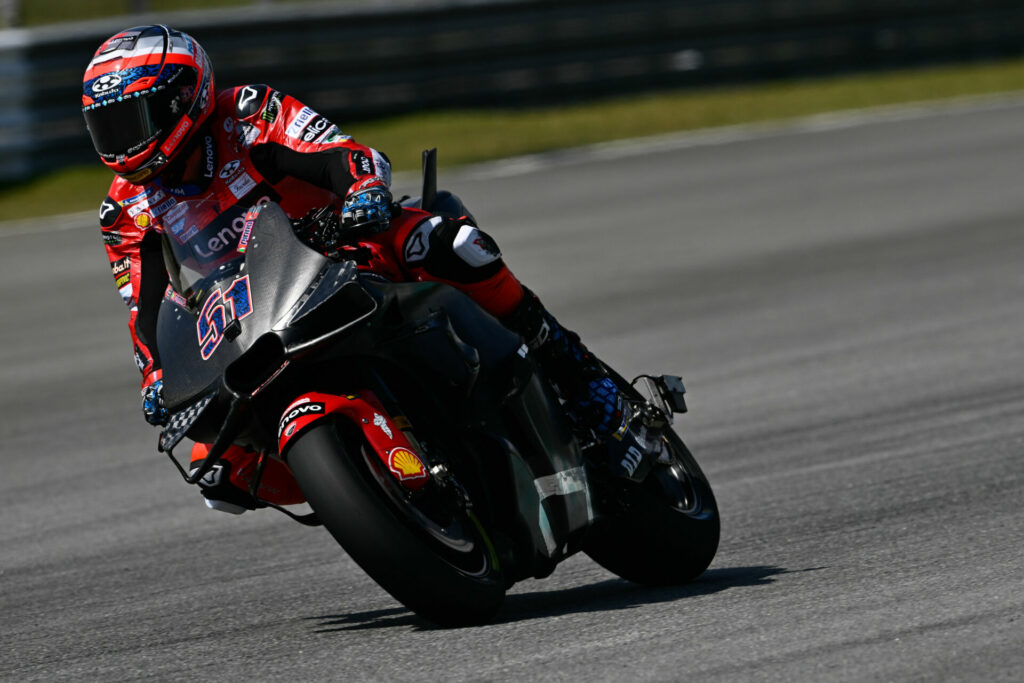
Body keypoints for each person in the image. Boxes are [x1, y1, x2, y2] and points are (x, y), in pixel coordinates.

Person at [83, 25, 634, 514]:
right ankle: (369, 486)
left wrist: (362, 190)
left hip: (342, 250)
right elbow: (145, 305)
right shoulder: (124, 210)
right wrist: (155, 373)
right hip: (249, 316)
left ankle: (574, 368)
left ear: (184, 97)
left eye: (132, 119)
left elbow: (338, 153)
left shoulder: (246, 114)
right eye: (105, 126)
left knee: (454, 245)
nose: (121, 141)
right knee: (215, 467)